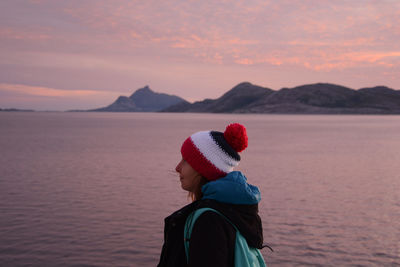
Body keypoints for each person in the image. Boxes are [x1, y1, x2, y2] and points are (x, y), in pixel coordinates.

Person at [157, 123, 264, 267]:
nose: (177, 168)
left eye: (186, 160)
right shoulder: (235, 211)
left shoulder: (208, 221)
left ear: (203, 169)